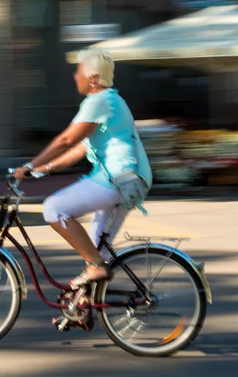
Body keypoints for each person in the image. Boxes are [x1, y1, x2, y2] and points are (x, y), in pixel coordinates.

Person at [14, 48, 152, 289]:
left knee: (54, 208)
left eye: (78, 70)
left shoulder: (99, 101)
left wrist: (28, 165)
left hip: (118, 179)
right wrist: (43, 169)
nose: (74, 76)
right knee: (95, 248)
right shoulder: (111, 101)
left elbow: (66, 141)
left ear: (93, 78)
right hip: (130, 181)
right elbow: (78, 150)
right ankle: (84, 305)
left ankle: (96, 268)